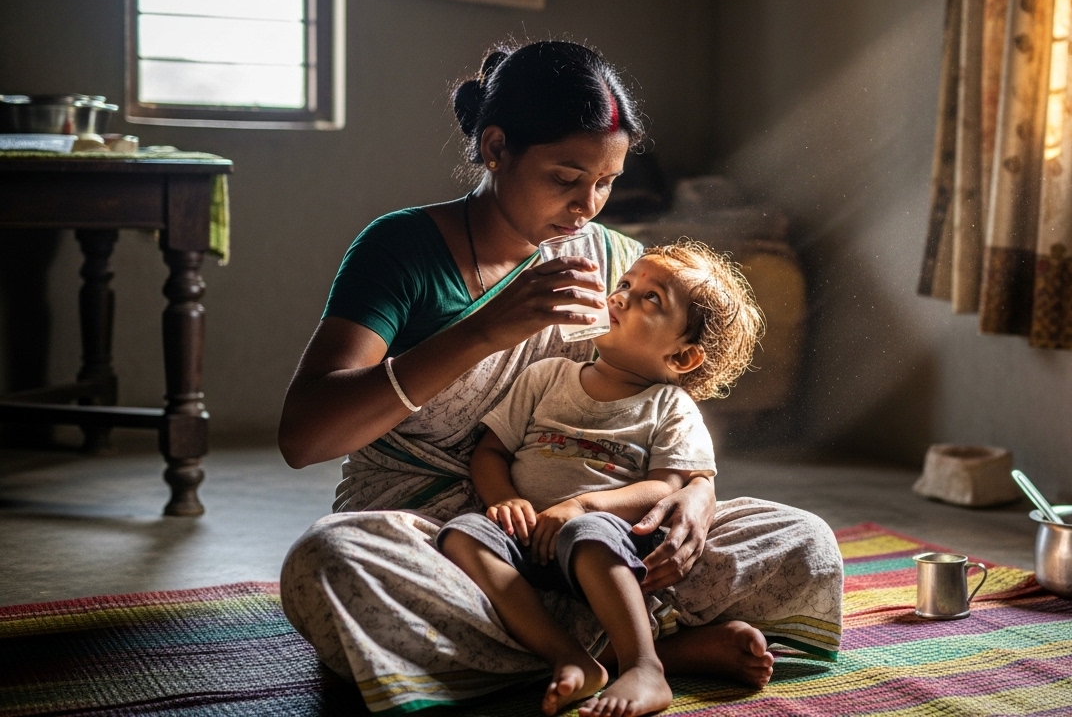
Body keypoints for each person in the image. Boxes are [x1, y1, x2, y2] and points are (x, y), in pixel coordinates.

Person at [277, 40, 843, 715]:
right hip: (437, 536)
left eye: (605, 182)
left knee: (803, 540)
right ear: (496, 148)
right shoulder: (401, 249)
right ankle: (641, 648)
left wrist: (698, 496)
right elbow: (304, 438)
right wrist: (485, 330)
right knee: (330, 560)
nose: (586, 207)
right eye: (565, 178)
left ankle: (558, 653)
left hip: (584, 535)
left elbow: (664, 415)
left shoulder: (613, 262)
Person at [440, 241, 764, 717]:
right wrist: (504, 499)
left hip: (605, 541)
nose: (620, 297)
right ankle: (568, 657)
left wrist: (584, 506)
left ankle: (644, 666)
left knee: (587, 533)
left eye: (650, 298)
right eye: (625, 284)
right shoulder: (547, 376)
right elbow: (490, 451)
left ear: (682, 357)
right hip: (527, 536)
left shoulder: (669, 406)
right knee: (462, 534)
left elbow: (667, 487)